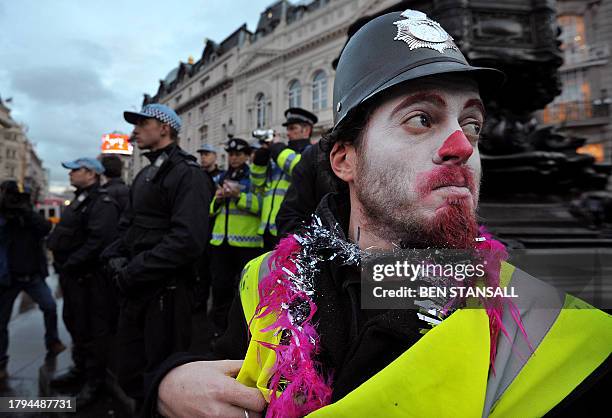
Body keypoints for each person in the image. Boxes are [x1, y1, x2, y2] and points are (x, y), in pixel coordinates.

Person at [147, 9, 611, 418]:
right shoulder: (266, 280)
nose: (462, 147)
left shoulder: (558, 333)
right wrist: (167, 386)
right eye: (421, 119)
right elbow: (220, 372)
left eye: (472, 125)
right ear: (345, 160)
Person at [101, 103, 209, 405]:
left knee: (162, 375)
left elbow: (188, 239)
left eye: (141, 123)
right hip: (136, 289)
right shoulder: (145, 173)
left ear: (164, 128)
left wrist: (134, 270)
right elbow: (128, 225)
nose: (134, 131)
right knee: (130, 370)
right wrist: (114, 258)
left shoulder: (189, 174)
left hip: (167, 294)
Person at [46, 158, 120, 408]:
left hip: (90, 280)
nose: (71, 174)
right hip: (73, 278)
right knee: (76, 325)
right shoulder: (80, 199)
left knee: (93, 331)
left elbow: (98, 242)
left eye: (75, 170)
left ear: (91, 174)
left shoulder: (102, 202)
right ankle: (79, 370)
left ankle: (94, 382)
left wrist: (70, 263)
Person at [0, 181, 65, 382]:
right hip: (7, 278)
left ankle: (52, 341)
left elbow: (45, 228)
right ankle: (1, 363)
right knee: (1, 323)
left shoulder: (29, 216)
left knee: (50, 307)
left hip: (32, 276)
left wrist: (26, 212)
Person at [208, 138, 262, 337]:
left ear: (247, 156)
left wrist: (239, 197)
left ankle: (241, 333)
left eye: (239, 154)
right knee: (219, 288)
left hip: (247, 243)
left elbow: (261, 207)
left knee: (244, 291)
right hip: (221, 242)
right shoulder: (221, 176)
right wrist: (219, 199)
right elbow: (211, 210)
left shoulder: (255, 177)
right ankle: (218, 331)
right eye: (231, 154)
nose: (234, 158)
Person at [250, 108, 318, 250]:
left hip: (291, 228)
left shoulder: (311, 152)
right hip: (267, 228)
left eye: (292, 128)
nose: (288, 133)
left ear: (306, 130)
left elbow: (298, 167)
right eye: (287, 129)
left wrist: (276, 147)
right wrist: (260, 161)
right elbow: (258, 183)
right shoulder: (279, 154)